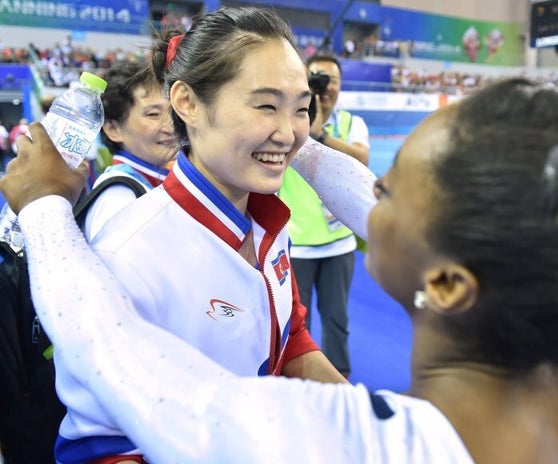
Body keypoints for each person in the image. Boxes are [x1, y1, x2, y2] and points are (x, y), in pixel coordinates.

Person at [4, 77, 558, 463]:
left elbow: (111, 347)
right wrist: (294, 142)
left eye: (390, 190)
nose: (370, 194)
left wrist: (42, 207)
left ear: (450, 285)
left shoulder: (352, 443)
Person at [49, 6, 346, 463]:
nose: (288, 133)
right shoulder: (129, 255)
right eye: (266, 105)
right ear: (187, 103)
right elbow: (101, 448)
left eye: (302, 109)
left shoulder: (268, 223)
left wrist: (367, 428)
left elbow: (289, 340)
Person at [278, 52, 370, 378]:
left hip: (339, 246)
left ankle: (340, 380)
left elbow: (362, 159)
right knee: (296, 324)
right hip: (298, 245)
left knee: (336, 320)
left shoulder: (350, 123)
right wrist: (303, 120)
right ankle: (302, 385)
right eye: (318, 77)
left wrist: (320, 134)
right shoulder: (287, 124)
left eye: (332, 80)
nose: (325, 86)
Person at [80, 60, 177, 240]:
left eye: (173, 113)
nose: (171, 127)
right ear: (113, 129)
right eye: (153, 114)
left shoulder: (153, 181)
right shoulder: (118, 198)